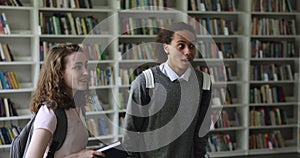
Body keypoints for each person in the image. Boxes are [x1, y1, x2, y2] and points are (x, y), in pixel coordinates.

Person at [122, 22, 212, 158]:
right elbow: (131, 133)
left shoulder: (204, 82)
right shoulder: (145, 82)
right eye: (181, 45)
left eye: (192, 46)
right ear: (166, 48)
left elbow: (202, 129)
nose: (188, 51)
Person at [25, 44, 105, 158]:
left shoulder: (78, 107)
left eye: (85, 66)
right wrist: (78, 157)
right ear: (60, 72)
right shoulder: (49, 113)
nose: (86, 72)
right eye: (78, 67)